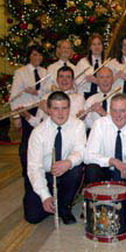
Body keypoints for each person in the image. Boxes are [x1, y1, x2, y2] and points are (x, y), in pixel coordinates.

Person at [25, 91, 86, 224]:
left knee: (76, 169)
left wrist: (68, 162)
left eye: (64, 108)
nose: (60, 113)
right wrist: (45, 196)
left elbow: (81, 151)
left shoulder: (78, 125)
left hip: (66, 171)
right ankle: (53, 198)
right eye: (56, 108)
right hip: (45, 174)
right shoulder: (38, 132)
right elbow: (34, 168)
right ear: (48, 110)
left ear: (69, 109)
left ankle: (64, 207)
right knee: (33, 217)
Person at [84, 93, 126, 184]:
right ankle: (95, 197)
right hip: (104, 168)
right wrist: (112, 161)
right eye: (114, 111)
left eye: (122, 111)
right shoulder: (99, 125)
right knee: (92, 169)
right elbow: (88, 156)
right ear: (109, 110)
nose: (118, 115)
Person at [9, 45, 48, 178]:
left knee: (40, 141)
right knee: (27, 142)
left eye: (40, 55)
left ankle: (38, 169)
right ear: (29, 56)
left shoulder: (44, 72)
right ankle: (26, 170)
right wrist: (16, 117)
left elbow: (46, 92)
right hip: (26, 110)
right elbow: (14, 96)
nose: (37, 58)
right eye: (34, 54)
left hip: (41, 109)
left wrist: (36, 92)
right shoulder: (21, 72)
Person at [20, 66, 85, 127]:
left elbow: (71, 122)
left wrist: (48, 111)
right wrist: (27, 116)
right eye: (61, 77)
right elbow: (38, 124)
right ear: (57, 80)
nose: (64, 80)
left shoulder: (78, 98)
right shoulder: (46, 97)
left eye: (68, 77)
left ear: (73, 81)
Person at [76, 33, 106, 99]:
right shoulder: (82, 62)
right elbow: (76, 81)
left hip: (101, 95)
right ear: (90, 47)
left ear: (102, 46)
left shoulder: (107, 63)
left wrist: (96, 81)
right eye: (94, 44)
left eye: (99, 44)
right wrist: (85, 79)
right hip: (84, 95)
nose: (97, 47)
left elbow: (110, 83)